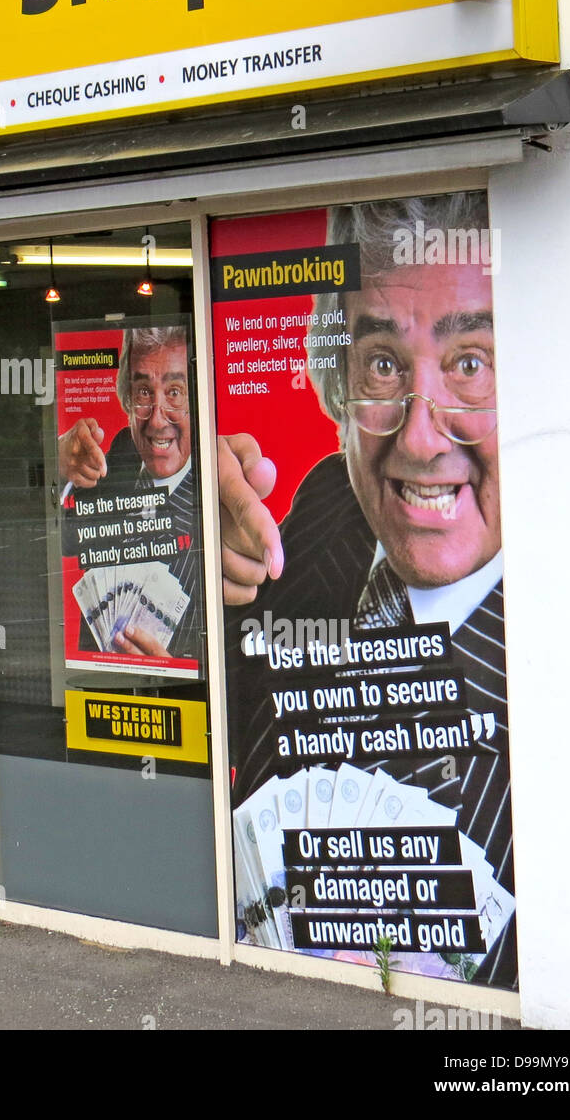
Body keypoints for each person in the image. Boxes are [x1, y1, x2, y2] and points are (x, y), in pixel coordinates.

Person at [217, 191, 513, 986]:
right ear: (336, 379)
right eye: (382, 363)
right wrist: (173, 531)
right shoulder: (320, 510)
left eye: (470, 364)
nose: (418, 438)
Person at [57, 323, 201, 665]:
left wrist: (175, 666)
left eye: (176, 392)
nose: (156, 421)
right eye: (143, 393)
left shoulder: (214, 495)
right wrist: (56, 460)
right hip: (98, 685)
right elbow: (63, 539)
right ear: (126, 397)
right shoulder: (121, 451)